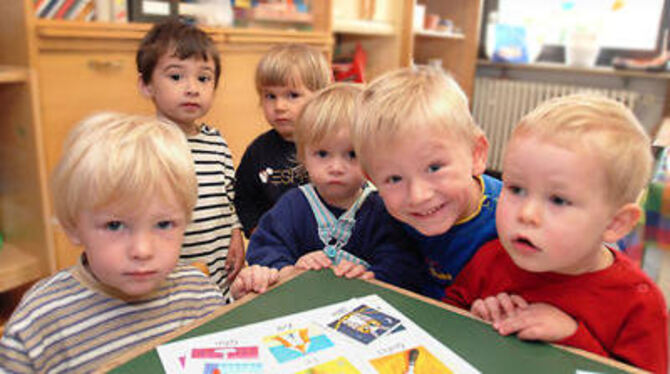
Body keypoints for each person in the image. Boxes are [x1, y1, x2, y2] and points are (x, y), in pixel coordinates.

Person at [443, 94, 668, 373]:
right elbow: (447, 315)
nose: (526, 214)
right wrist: (476, 316)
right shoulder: (491, 257)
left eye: (558, 200)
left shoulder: (639, 302)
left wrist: (572, 339)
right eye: (516, 189)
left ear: (615, 223)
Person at [0, 113, 227, 373]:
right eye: (115, 225)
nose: (142, 250)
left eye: (164, 224)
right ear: (73, 227)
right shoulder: (39, 322)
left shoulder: (201, 296)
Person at [231, 84, 425, 299]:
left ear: (373, 156)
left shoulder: (382, 209)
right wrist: (289, 271)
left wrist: (371, 277)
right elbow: (264, 248)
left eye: (351, 154)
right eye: (322, 154)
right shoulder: (293, 205)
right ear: (303, 156)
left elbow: (402, 265)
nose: (336, 167)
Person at [350, 66, 501, 300]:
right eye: (394, 179)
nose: (418, 195)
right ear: (371, 180)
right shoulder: (379, 215)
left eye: (434, 168)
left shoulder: (513, 218)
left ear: (476, 155)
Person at [137, 18, 244, 296]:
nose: (192, 88)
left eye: (203, 78)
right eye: (176, 76)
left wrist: (236, 234)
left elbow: (229, 197)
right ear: (147, 85)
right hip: (171, 283)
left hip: (218, 276)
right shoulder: (145, 146)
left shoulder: (216, 141)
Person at [233, 43, 332, 238]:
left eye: (292, 95)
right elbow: (244, 199)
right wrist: (257, 233)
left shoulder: (333, 147)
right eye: (270, 96)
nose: (279, 106)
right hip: (277, 248)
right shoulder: (258, 151)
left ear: (320, 97)